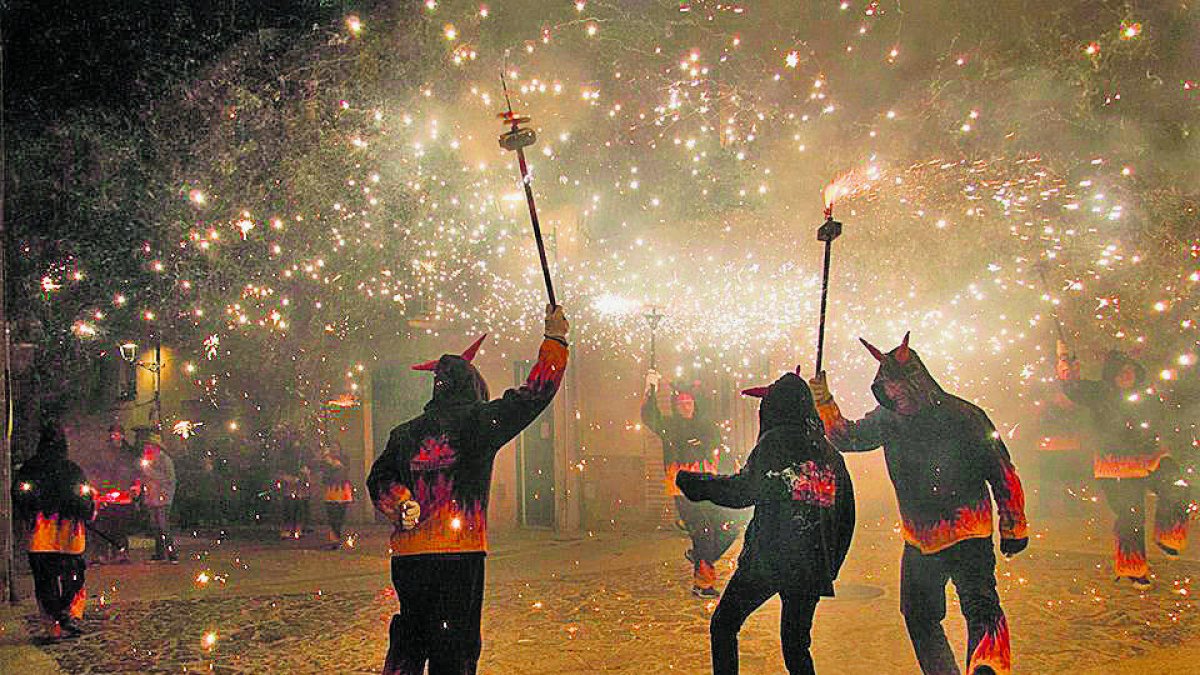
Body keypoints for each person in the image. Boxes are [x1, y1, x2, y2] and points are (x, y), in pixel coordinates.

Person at [810, 332, 1028, 675]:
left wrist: (1013, 523)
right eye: (888, 389)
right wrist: (823, 402)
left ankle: (987, 667)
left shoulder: (965, 416)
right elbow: (847, 437)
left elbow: (1001, 470)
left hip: (969, 529)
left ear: (917, 381)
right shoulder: (888, 418)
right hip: (920, 538)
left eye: (899, 387)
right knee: (919, 614)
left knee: (981, 607)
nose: (895, 394)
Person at [368, 304, 569, 675]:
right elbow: (533, 396)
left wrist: (400, 503)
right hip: (459, 557)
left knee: (411, 638)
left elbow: (378, 478)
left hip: (409, 559)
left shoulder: (405, 433)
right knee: (454, 648)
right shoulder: (479, 422)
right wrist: (554, 340)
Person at [676, 371, 855, 675]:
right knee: (797, 646)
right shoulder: (830, 455)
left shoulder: (775, 443)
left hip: (770, 561)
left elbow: (743, 491)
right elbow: (845, 518)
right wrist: (828, 566)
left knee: (724, 625)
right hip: (809, 566)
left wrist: (696, 484)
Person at [1057, 342, 1190, 588]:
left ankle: (1169, 536)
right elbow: (1073, 389)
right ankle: (1133, 566)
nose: (1126, 376)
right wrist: (1067, 369)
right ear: (1112, 375)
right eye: (1121, 372)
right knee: (1131, 515)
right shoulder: (1099, 393)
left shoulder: (1146, 396)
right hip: (1115, 464)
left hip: (1149, 457)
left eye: (1130, 371)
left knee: (1177, 485)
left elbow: (1164, 417)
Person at [642, 374, 741, 596]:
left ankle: (700, 556)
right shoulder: (670, 428)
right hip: (684, 489)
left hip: (709, 487)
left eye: (689, 403)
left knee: (729, 527)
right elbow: (651, 417)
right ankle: (703, 584)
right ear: (676, 407)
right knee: (704, 532)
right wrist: (651, 389)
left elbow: (721, 451)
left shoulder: (707, 427)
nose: (686, 407)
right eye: (681, 404)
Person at [12, 422, 97, 640]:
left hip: (40, 537)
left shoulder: (29, 469)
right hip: (69, 537)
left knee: (45, 582)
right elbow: (85, 500)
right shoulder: (72, 470)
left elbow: (21, 498)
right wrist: (87, 509)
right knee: (73, 578)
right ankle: (68, 614)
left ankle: (53, 625)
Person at [90, 424, 140, 564]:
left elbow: (136, 471)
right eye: (112, 434)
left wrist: (136, 486)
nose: (114, 436)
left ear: (122, 436)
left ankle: (121, 553)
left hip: (123, 494)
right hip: (106, 493)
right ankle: (102, 554)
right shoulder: (102, 452)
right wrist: (95, 487)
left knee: (120, 526)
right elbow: (96, 470)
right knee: (104, 526)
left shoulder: (129, 452)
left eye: (117, 434)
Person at [140, 434, 178, 563]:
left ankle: (172, 554)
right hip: (152, 498)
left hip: (163, 499)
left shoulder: (165, 460)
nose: (146, 448)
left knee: (163, 526)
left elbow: (168, 479)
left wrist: (149, 471)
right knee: (155, 526)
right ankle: (160, 554)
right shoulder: (148, 459)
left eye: (149, 445)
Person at [321, 443, 355, 550]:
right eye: (333, 448)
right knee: (332, 515)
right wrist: (327, 462)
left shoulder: (344, 458)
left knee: (340, 516)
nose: (335, 449)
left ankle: (337, 536)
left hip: (342, 490)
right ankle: (334, 538)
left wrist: (336, 464)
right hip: (331, 490)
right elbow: (324, 475)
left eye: (336, 447)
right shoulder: (326, 461)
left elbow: (346, 470)